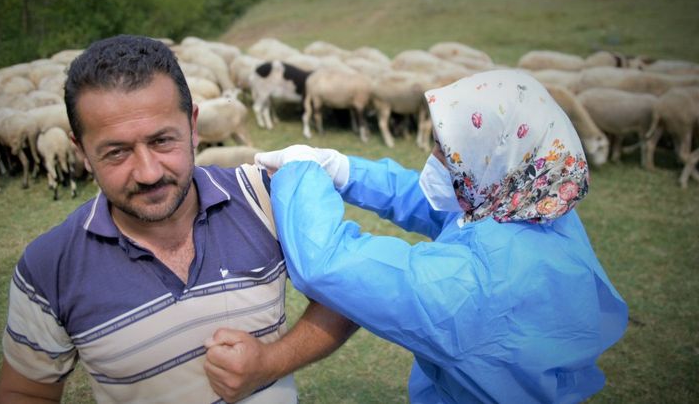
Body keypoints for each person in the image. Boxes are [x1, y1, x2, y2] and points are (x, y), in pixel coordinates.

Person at [0, 35, 356, 404]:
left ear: (194, 126)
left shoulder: (265, 198)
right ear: (82, 152)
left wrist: (273, 361)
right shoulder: (50, 267)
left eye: (163, 141)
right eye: (117, 152)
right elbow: (24, 392)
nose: (149, 173)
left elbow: (352, 288)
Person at [255, 69, 628, 403]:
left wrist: (300, 172)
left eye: (447, 150)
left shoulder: (472, 285)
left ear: (492, 157)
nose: (432, 155)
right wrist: (344, 170)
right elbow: (438, 204)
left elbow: (327, 266)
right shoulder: (533, 203)